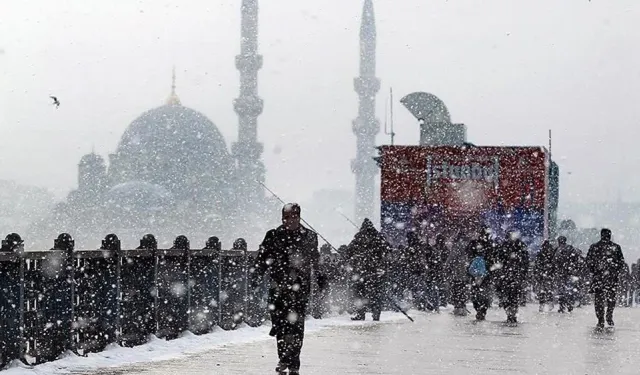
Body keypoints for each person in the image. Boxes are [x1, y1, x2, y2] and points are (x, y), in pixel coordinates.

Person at [252, 203, 321, 375]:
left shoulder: (309, 237)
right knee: (280, 325)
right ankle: (284, 357)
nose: (290, 220)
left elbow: (315, 259)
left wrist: (320, 276)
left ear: (299, 217)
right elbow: (262, 259)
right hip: (278, 288)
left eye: (293, 216)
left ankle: (293, 362)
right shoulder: (273, 236)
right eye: (286, 217)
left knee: (296, 326)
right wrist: (256, 275)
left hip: (300, 289)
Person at [345, 218, 389, 321]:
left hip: (361, 271)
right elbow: (387, 250)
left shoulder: (359, 237)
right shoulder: (379, 238)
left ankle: (361, 314)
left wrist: (353, 258)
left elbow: (348, 251)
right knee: (376, 293)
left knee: (360, 293)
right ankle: (376, 314)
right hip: (375, 271)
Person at [586, 228, 626, 329]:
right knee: (611, 298)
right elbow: (621, 262)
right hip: (611, 278)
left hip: (599, 278)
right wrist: (614, 269)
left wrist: (594, 270)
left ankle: (600, 319)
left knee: (599, 299)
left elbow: (588, 261)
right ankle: (609, 315)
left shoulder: (594, 247)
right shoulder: (616, 247)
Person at [493, 230, 529, 324]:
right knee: (513, 296)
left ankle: (510, 313)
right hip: (513, 275)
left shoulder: (505, 246)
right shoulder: (519, 246)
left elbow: (498, 260)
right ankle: (512, 313)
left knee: (508, 296)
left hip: (508, 276)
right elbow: (525, 261)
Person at [465, 227, 496, 321]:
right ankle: (482, 310)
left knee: (476, 292)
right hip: (486, 274)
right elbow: (494, 259)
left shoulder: (474, 243)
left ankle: (479, 309)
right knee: (484, 293)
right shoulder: (490, 244)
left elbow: (468, 254)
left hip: (475, 274)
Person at [555, 236, 582, 313]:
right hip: (570, 272)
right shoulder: (570, 248)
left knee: (561, 290)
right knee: (569, 289)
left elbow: (554, 261)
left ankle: (562, 306)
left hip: (561, 273)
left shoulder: (558, 250)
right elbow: (576, 258)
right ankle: (569, 304)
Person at [534, 240, 557, 312]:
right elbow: (554, 263)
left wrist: (537, 272)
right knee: (549, 289)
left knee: (542, 290)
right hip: (549, 274)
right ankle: (550, 303)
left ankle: (542, 305)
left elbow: (537, 264)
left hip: (542, 273)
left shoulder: (540, 252)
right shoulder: (552, 252)